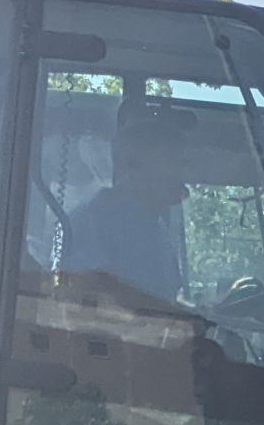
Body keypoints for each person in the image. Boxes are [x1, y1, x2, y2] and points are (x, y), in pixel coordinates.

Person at [58, 99, 195, 301]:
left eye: (183, 165)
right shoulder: (90, 225)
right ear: (131, 166)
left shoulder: (157, 229)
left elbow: (167, 302)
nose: (182, 175)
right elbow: (88, 311)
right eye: (170, 162)